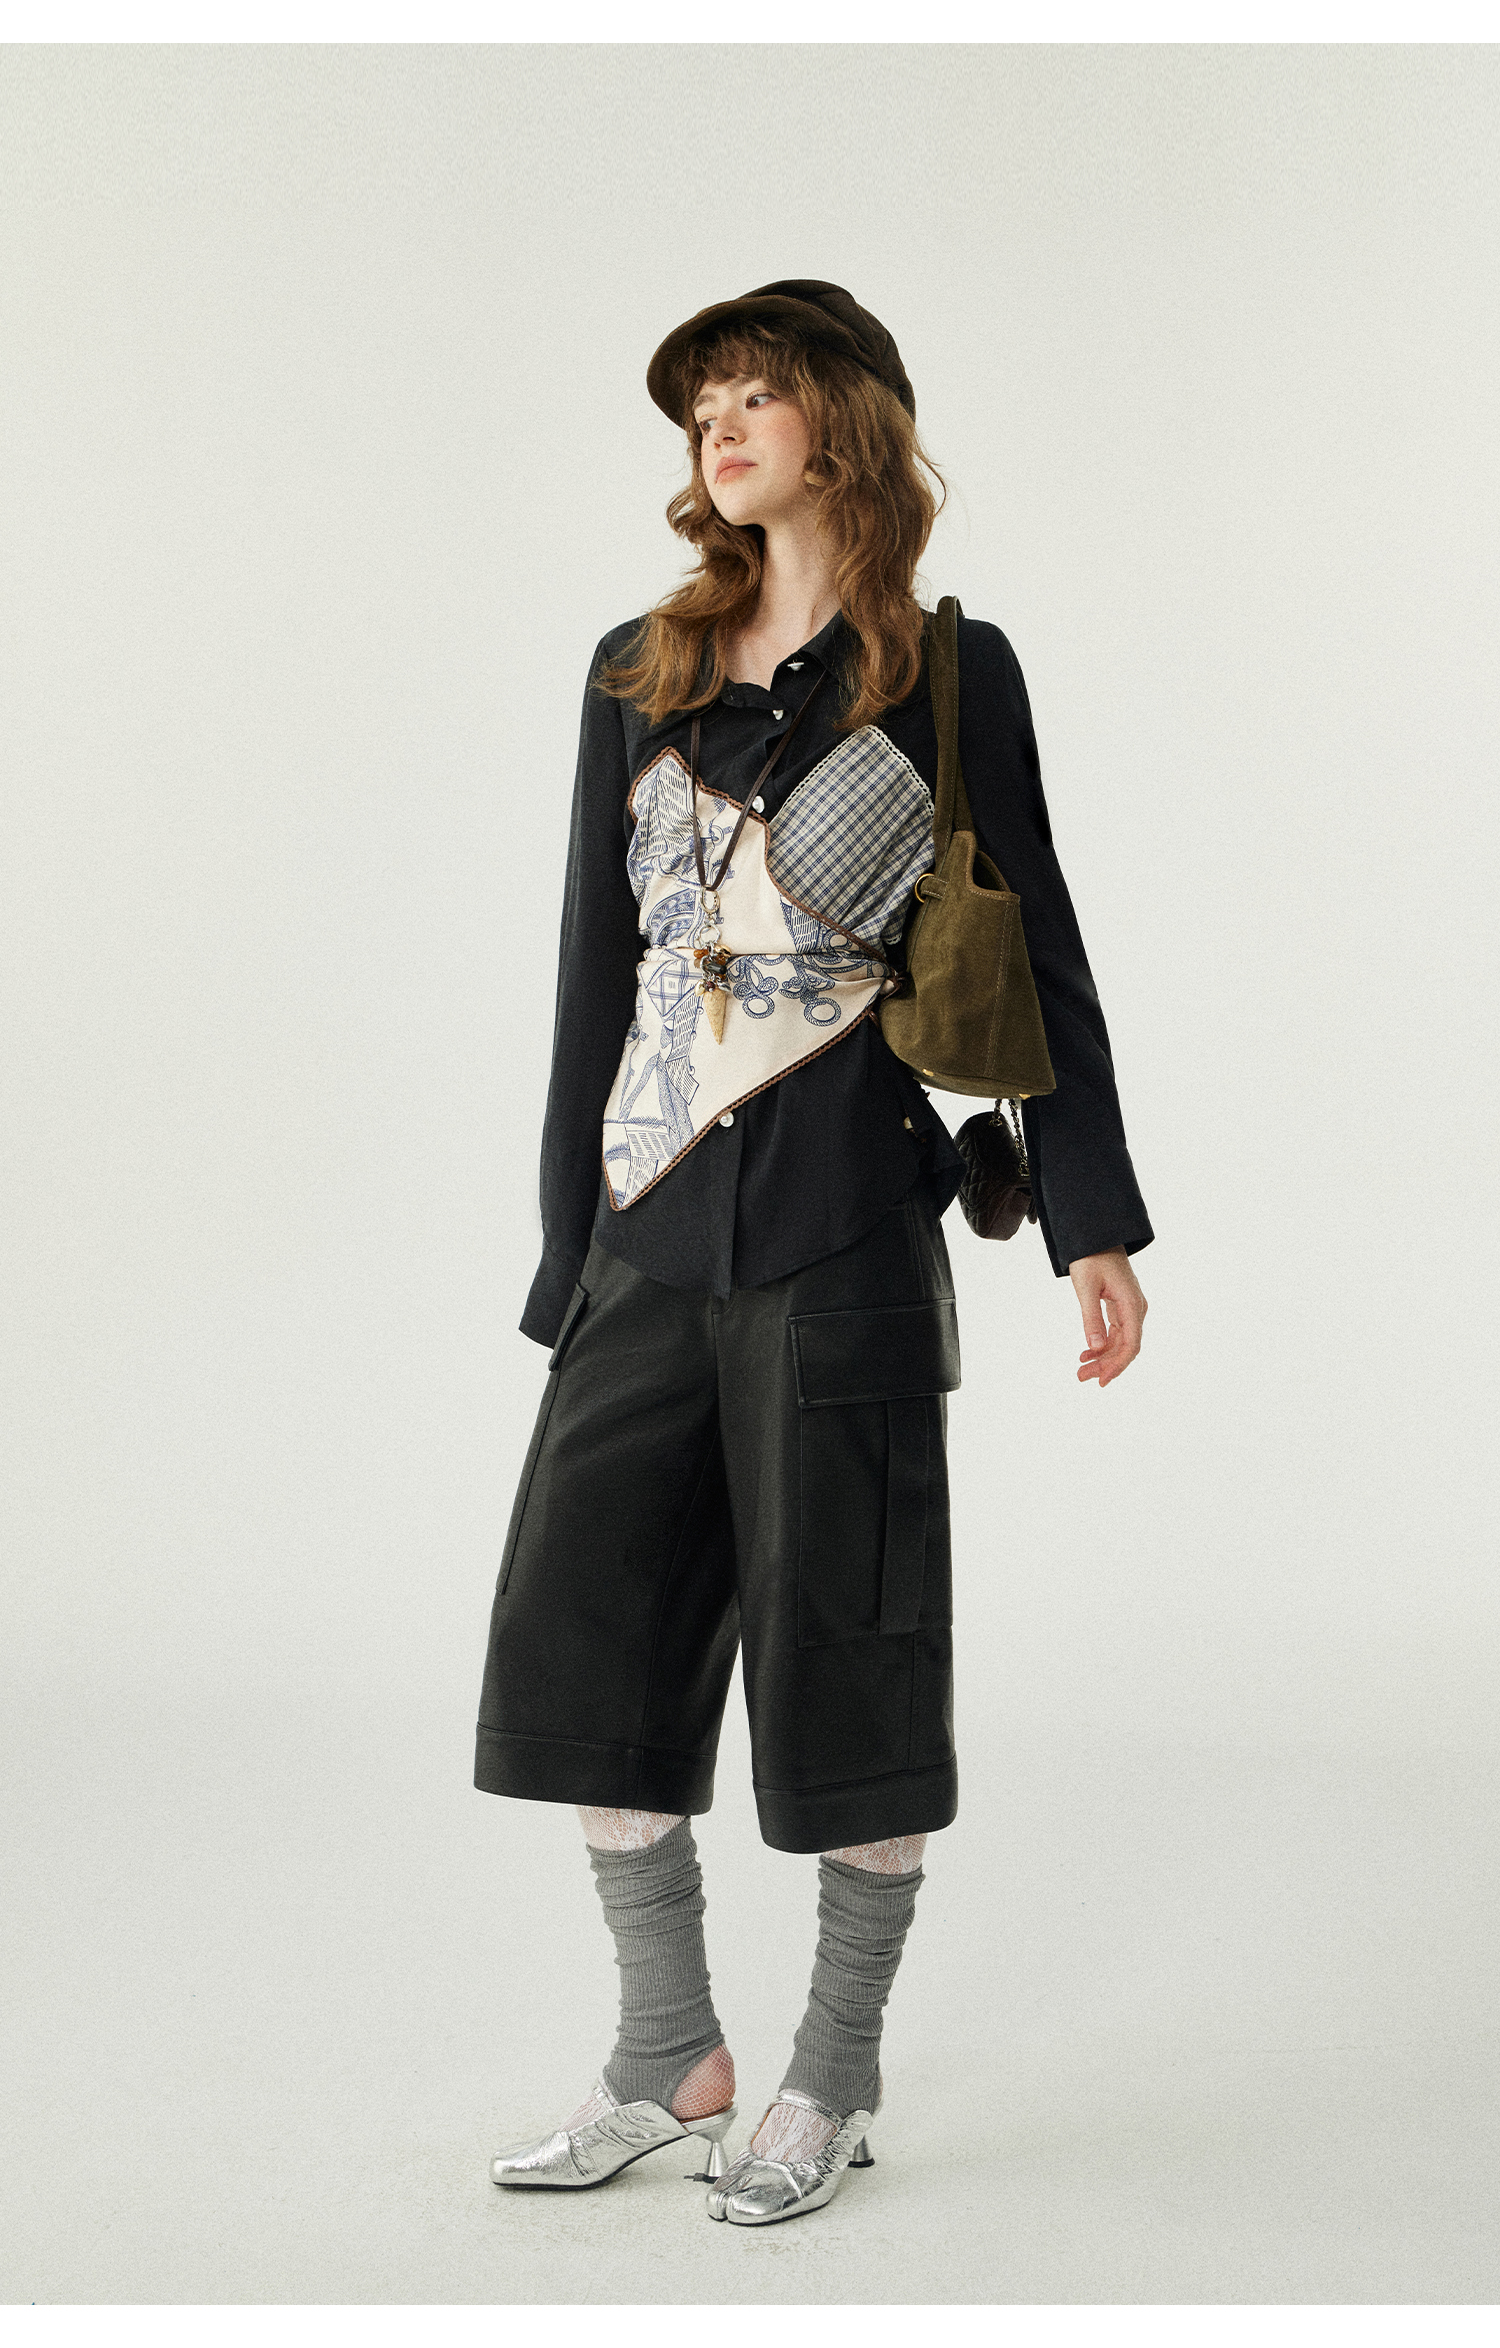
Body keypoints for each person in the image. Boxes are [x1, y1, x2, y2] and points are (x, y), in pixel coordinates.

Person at [474, 280, 1152, 2227]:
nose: (721, 424)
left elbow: (1042, 947)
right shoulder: (639, 669)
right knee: (585, 1647)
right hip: (648, 1233)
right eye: (703, 402)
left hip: (849, 1232)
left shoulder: (949, 675)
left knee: (855, 1663)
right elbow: (590, 979)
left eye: (758, 391)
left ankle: (830, 2079)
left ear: (846, 421)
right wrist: (567, 1255)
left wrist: (1090, 1220)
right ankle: (664, 2052)